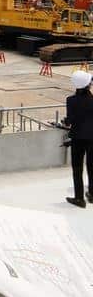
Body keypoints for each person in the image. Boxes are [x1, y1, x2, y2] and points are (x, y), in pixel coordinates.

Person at [65, 70, 93, 208]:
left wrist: (66, 121)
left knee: (77, 170)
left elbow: (70, 121)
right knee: (92, 167)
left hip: (77, 139)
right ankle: (92, 194)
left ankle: (79, 198)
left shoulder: (71, 100)